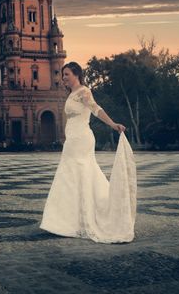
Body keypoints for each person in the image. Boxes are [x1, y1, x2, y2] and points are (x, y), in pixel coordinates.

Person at [40, 61, 136, 243]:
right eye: (63, 75)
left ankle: (78, 219)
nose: (63, 78)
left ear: (76, 73)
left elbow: (96, 109)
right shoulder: (71, 94)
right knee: (71, 176)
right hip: (72, 140)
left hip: (81, 139)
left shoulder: (84, 91)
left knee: (78, 174)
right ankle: (66, 221)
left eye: (66, 74)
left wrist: (113, 124)